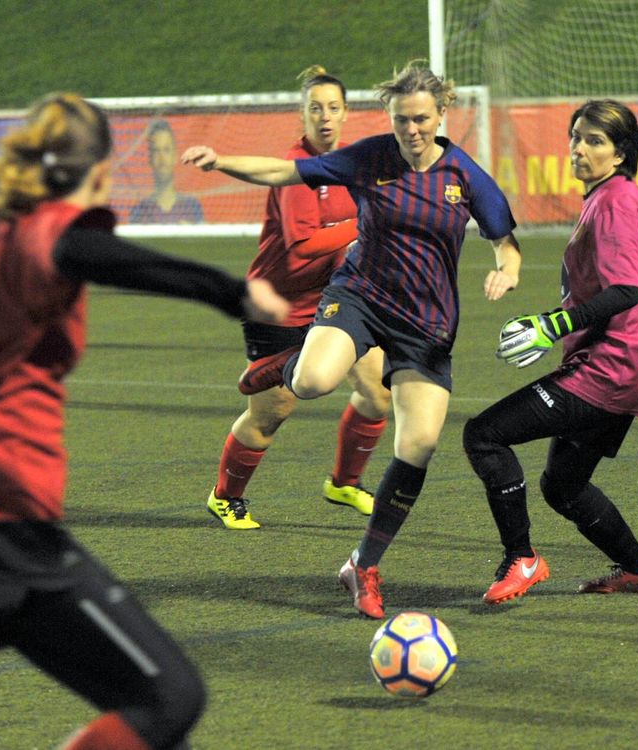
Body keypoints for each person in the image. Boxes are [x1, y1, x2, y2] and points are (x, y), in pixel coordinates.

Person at [0, 92, 289, 750]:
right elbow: (92, 252)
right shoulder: (43, 234)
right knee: (172, 698)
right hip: (0, 528)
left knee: (147, 720)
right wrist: (232, 293)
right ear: (98, 171)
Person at [183, 60, 522, 618]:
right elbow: (284, 172)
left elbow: (504, 241)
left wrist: (507, 270)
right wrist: (221, 162)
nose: (410, 130)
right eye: (401, 120)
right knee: (314, 380)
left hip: (426, 324)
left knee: (418, 447)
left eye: (420, 119)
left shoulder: (464, 175)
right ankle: (284, 367)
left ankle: (363, 565)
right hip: (360, 298)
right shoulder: (370, 157)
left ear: (441, 114)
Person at [463, 99, 638, 605]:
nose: (579, 148)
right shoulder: (610, 197)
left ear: (620, 153)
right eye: (576, 136)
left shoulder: (616, 201)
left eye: (595, 141)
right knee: (564, 486)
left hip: (606, 371)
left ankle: (522, 559)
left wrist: (553, 326)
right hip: (625, 369)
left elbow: (624, 291)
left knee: (485, 435)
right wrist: (558, 325)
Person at [206, 65, 391, 530]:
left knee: (377, 391)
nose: (325, 117)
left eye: (333, 108)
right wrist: (365, 221)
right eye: (315, 108)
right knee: (272, 412)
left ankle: (344, 483)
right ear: (302, 114)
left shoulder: (353, 163)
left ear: (346, 113)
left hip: (335, 299)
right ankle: (225, 497)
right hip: (278, 303)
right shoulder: (296, 168)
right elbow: (304, 246)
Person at [129, 118, 204, 224]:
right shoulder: (140, 210)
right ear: (150, 158)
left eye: (166, 150)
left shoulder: (191, 206)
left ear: (175, 156)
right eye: (156, 150)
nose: (162, 158)